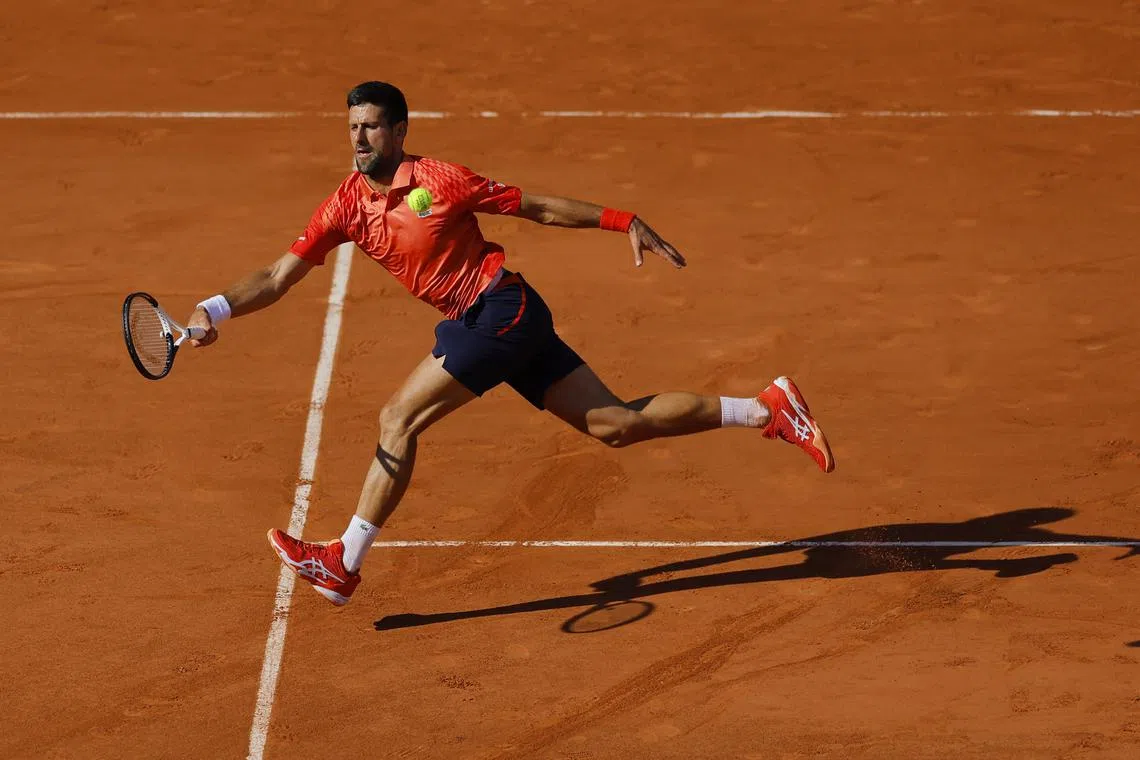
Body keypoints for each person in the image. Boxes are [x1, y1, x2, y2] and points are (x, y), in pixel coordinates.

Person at [188, 81, 835, 607]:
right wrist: (213, 308)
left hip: (499, 309)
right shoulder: (345, 206)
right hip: (485, 321)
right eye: (352, 126)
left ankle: (343, 562)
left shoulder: (439, 180)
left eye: (372, 126)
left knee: (397, 419)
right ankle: (768, 408)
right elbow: (276, 276)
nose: (359, 138)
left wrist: (622, 220)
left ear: (399, 132)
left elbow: (536, 207)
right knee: (615, 424)